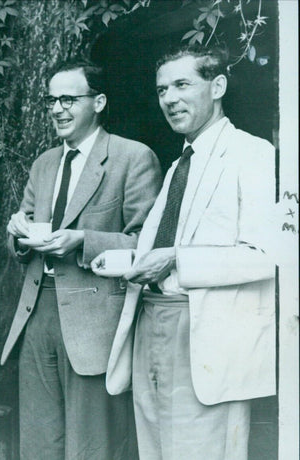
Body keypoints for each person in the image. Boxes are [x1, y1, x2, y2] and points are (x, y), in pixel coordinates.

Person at [101, 45, 276, 460]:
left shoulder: (252, 154)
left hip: (204, 339)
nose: (169, 99)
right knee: (155, 451)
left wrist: (178, 258)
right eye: (162, 89)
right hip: (151, 324)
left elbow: (266, 255)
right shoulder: (180, 163)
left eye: (182, 84)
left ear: (217, 86)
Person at [0, 59, 162, 459]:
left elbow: (147, 245)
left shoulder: (133, 157)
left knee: (93, 445)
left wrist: (82, 242)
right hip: (36, 314)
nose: (58, 109)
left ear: (99, 101)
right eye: (52, 100)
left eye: (69, 99)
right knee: (38, 442)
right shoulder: (43, 163)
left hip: (96, 323)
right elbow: (20, 242)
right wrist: (18, 235)